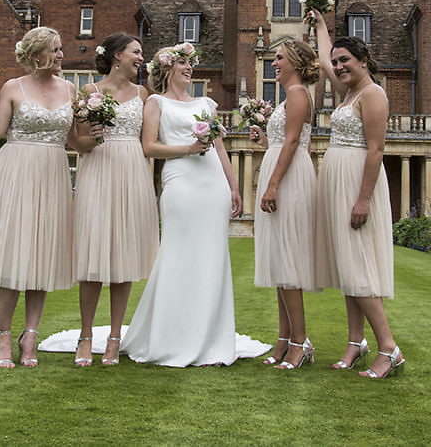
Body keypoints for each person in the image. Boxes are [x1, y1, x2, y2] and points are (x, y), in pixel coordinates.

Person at [120, 43, 267, 367]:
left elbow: (219, 148)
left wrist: (233, 187)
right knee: (177, 253)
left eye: (191, 64)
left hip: (212, 186)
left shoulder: (206, 103)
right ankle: (170, 335)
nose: (189, 68)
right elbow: (149, 147)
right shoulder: (156, 103)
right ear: (167, 69)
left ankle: (211, 337)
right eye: (183, 63)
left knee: (212, 257)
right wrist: (187, 149)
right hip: (180, 185)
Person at [0, 26, 96, 368]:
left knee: (41, 254)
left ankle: (30, 335)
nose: (61, 55)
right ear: (36, 55)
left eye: (60, 49)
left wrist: (97, 135)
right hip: (16, 171)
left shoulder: (70, 89)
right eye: (55, 50)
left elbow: (74, 142)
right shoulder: (13, 87)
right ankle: (2, 336)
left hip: (53, 172)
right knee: (13, 253)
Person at [312, 13, 405, 378]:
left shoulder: (373, 94)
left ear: (363, 61)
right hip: (338, 182)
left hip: (357, 185)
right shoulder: (347, 92)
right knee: (348, 268)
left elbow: (376, 150)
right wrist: (320, 25)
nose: (337, 66)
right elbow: (321, 59)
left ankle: (389, 348)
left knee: (360, 267)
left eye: (344, 60)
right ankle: (355, 342)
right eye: (336, 63)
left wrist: (363, 199)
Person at [70, 33, 157, 367]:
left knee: (124, 259)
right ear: (118, 55)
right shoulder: (90, 92)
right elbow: (78, 142)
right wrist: (92, 138)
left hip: (133, 173)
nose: (141, 58)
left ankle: (115, 338)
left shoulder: (143, 94)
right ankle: (86, 336)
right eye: (136, 53)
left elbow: (151, 139)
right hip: (98, 172)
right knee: (93, 257)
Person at [249, 40, 324, 370]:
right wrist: (265, 142)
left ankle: (300, 342)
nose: (274, 63)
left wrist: (274, 184)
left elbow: (294, 142)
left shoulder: (297, 94)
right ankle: (283, 339)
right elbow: (287, 140)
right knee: (279, 259)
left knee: (289, 259)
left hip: (288, 178)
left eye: (279, 58)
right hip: (284, 168)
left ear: (295, 61)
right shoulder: (291, 96)